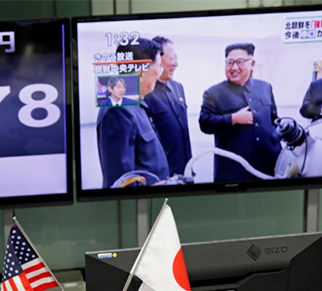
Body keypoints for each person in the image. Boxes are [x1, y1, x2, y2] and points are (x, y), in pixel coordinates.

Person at [199, 43, 281, 183]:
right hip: (232, 170)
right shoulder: (213, 93)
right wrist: (233, 119)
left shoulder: (265, 87)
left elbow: (274, 119)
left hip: (268, 165)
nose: (234, 67)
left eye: (240, 62)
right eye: (230, 63)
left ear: (252, 63)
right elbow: (204, 123)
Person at [96, 38, 169, 188]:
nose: (159, 74)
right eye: (158, 68)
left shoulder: (135, 105)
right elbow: (121, 181)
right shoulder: (118, 110)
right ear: (141, 72)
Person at [143, 36, 192, 176]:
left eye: (176, 58)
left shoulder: (178, 87)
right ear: (157, 59)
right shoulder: (145, 92)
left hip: (185, 170)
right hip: (161, 175)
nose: (176, 64)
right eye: (172, 59)